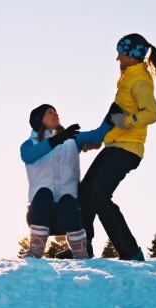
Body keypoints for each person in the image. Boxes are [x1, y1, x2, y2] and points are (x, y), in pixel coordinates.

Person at [60, 33, 156, 261]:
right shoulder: (127, 78)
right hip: (115, 145)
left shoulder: (139, 81)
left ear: (132, 55)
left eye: (121, 53)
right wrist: (97, 138)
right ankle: (82, 248)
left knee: (98, 194)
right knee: (85, 192)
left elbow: (153, 113)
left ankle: (131, 252)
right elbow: (113, 115)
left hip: (128, 149)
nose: (117, 58)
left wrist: (126, 122)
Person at [20, 103, 117, 259]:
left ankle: (80, 252)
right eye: (49, 112)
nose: (55, 114)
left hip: (67, 216)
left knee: (68, 200)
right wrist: (56, 140)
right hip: (39, 214)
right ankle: (36, 250)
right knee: (43, 193)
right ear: (39, 120)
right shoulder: (30, 144)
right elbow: (28, 156)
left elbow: (97, 135)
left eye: (56, 111)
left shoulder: (72, 140)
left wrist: (112, 115)